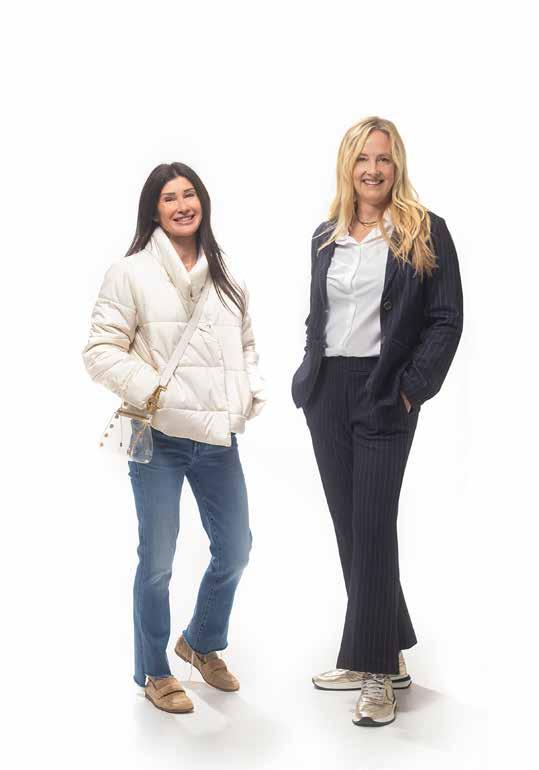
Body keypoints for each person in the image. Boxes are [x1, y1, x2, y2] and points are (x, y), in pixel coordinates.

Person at [291, 117, 463, 727]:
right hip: (327, 392)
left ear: (398, 165)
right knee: (351, 528)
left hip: (386, 392)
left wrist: (412, 388)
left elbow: (446, 319)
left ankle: (376, 672)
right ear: (348, 165)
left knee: (373, 526)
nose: (373, 169)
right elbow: (319, 313)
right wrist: (308, 372)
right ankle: (383, 651)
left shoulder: (424, 231)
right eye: (363, 159)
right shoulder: (325, 235)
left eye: (384, 159)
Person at [83, 162, 266, 714]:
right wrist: (152, 389)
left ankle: (201, 642)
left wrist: (248, 392)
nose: (183, 205)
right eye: (170, 198)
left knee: (236, 549)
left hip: (217, 438)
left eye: (190, 195)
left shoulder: (226, 275)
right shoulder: (130, 272)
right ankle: (154, 671)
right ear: (154, 210)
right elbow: (100, 351)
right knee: (158, 560)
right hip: (158, 437)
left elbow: (247, 345)